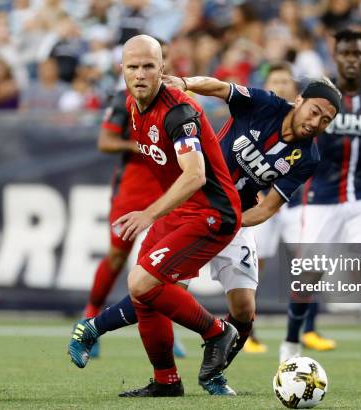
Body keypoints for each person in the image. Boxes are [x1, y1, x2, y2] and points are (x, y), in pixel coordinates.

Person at [68, 65, 342, 396]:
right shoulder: (266, 104)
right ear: (299, 100)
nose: (316, 123)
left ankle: (211, 373)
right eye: (314, 112)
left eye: (325, 121)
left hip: (230, 218)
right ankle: (164, 370)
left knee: (244, 310)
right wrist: (185, 83)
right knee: (155, 288)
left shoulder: (308, 156)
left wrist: (227, 224)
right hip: (195, 206)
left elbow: (267, 208)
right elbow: (218, 87)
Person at [70, 35, 242, 397]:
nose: (141, 74)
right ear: (122, 71)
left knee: (142, 282)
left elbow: (195, 175)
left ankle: (218, 332)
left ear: (162, 68)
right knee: (143, 288)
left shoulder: (180, 111)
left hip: (211, 212)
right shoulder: (131, 105)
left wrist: (148, 213)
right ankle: (166, 380)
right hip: (180, 210)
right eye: (133, 67)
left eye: (149, 66)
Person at [279, 29, 361, 371]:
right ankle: (290, 341)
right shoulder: (321, 96)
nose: (351, 59)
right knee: (309, 274)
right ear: (336, 55)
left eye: (357, 53)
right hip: (321, 197)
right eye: (345, 53)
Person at [247, 62, 336, 354]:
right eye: (276, 80)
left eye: (286, 81)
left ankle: (306, 328)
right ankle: (248, 330)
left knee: (309, 263)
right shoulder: (260, 111)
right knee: (252, 266)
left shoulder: (309, 124)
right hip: (259, 199)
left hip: (296, 202)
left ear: (296, 92)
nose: (281, 85)